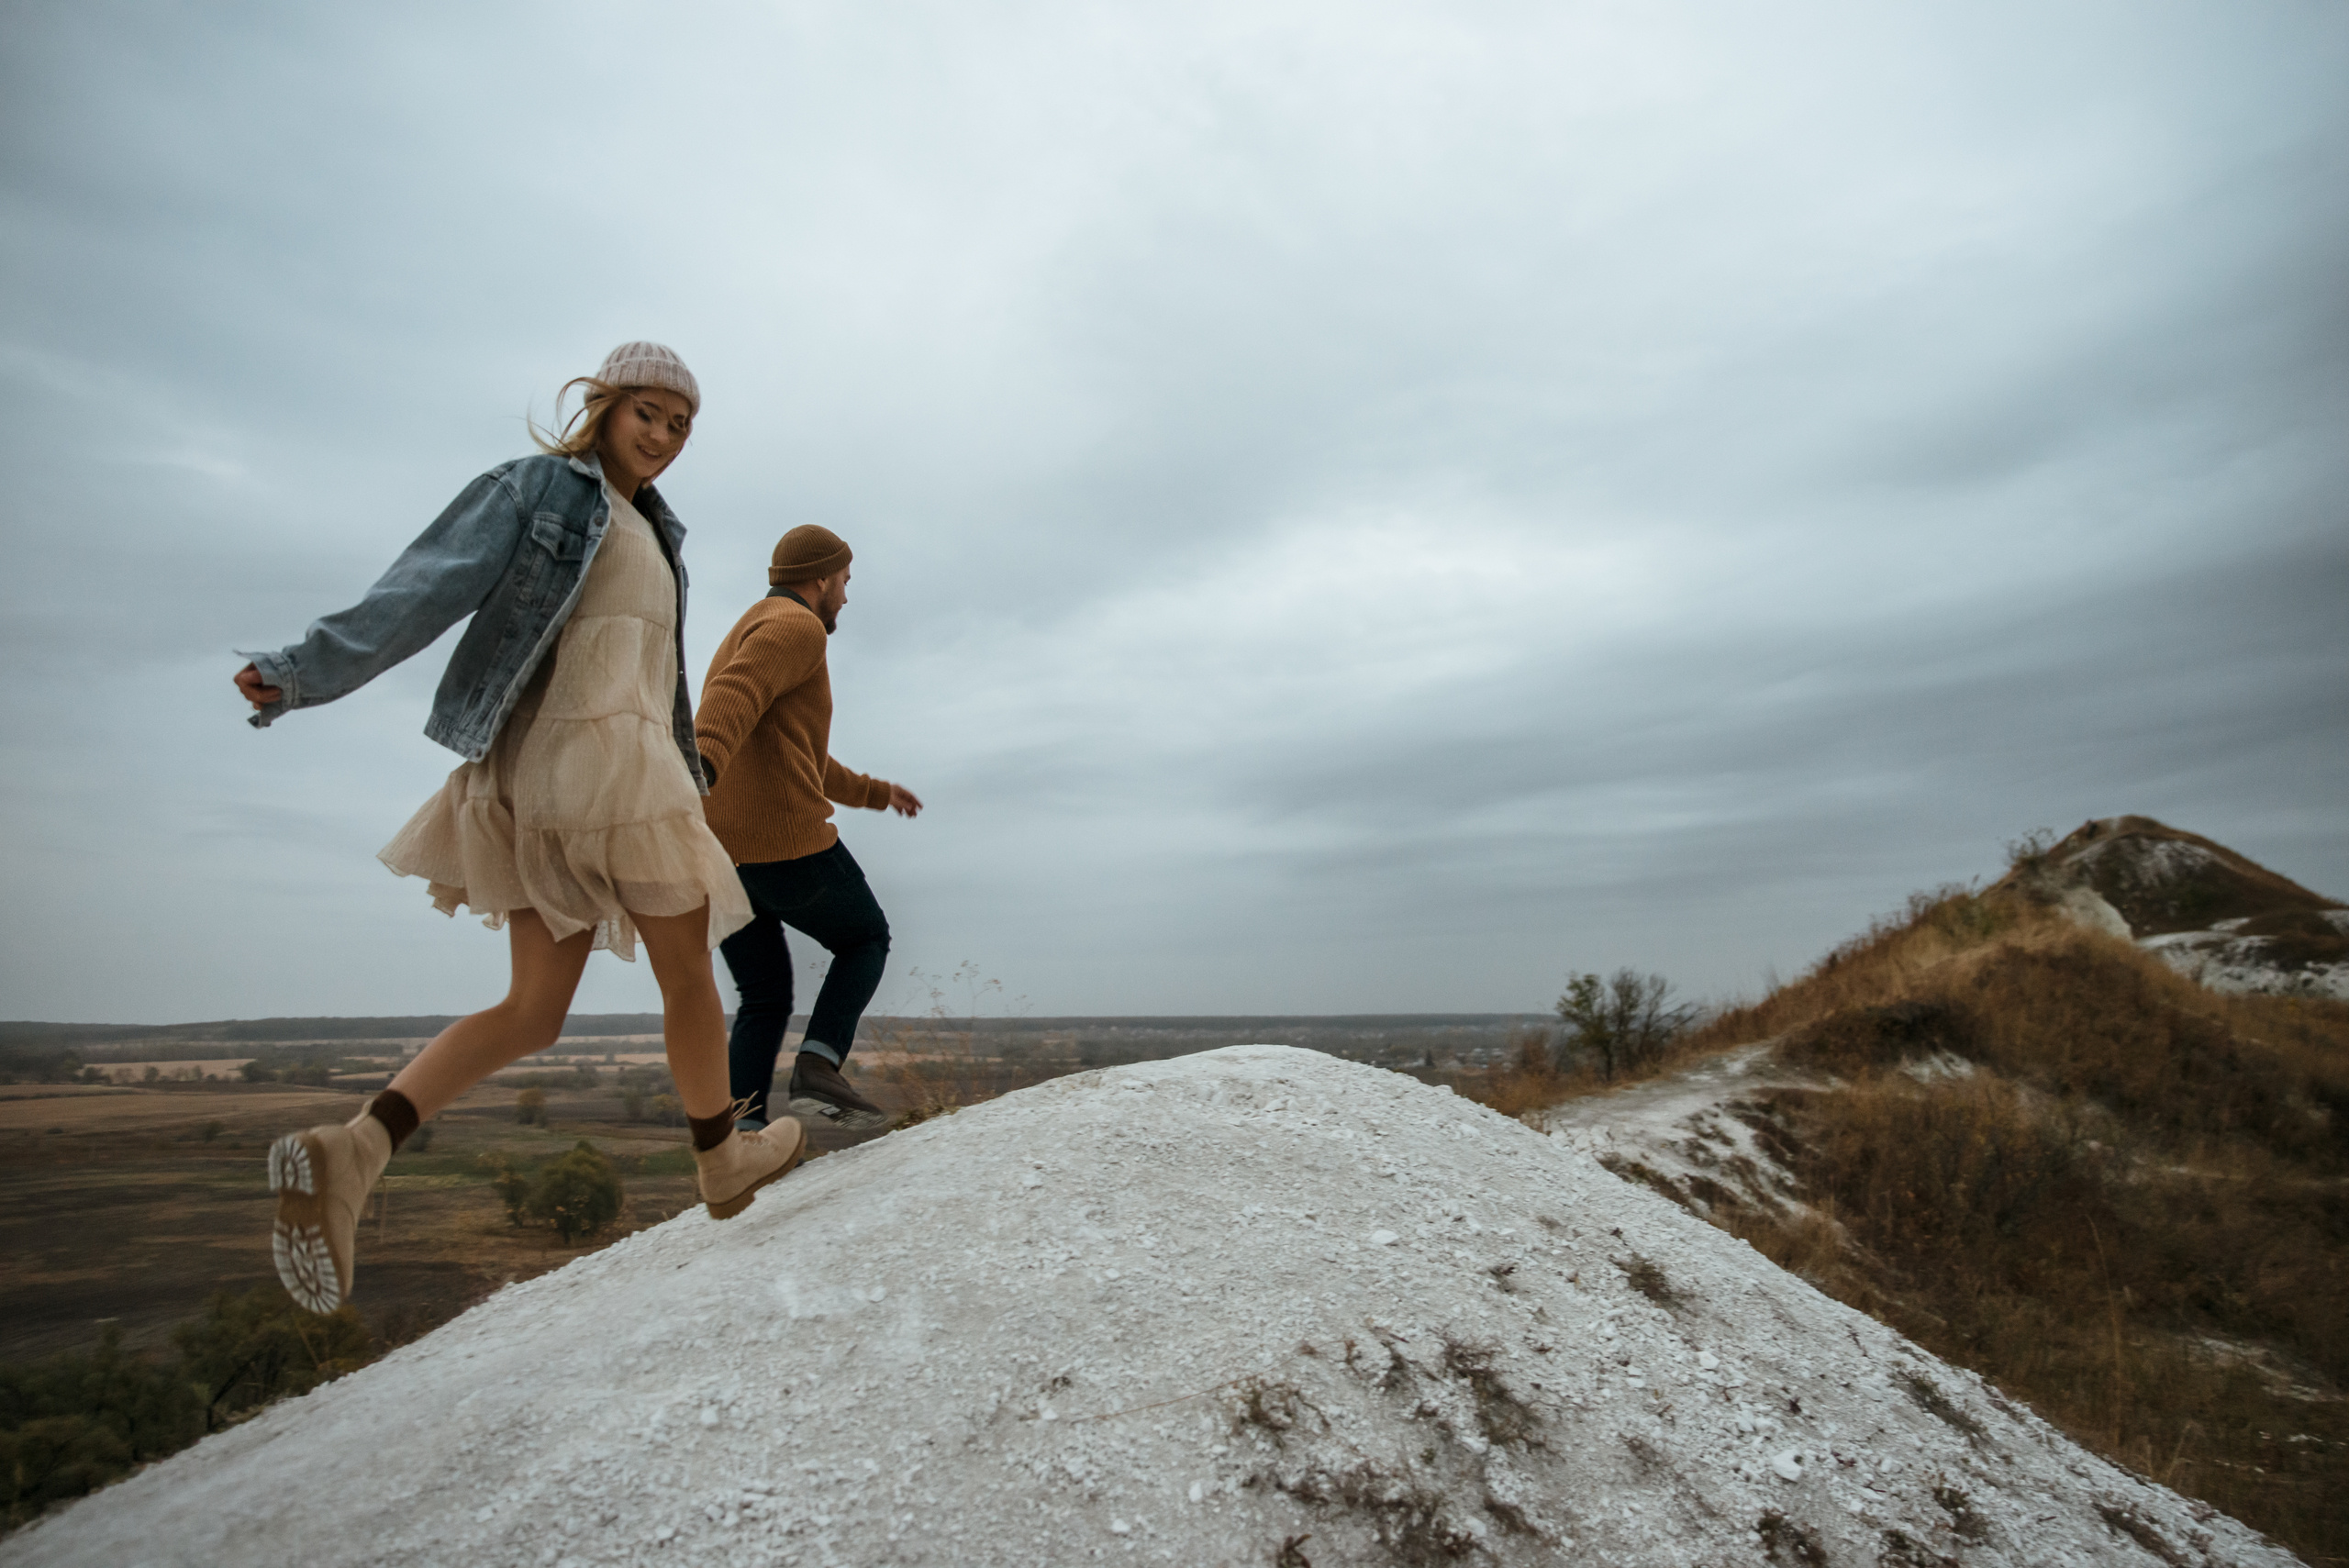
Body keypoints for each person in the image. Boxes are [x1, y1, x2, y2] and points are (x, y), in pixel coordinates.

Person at [233, 343, 803, 1315]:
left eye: (680, 425)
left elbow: (651, 677)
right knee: (690, 966)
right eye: (647, 413)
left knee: (536, 1009)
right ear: (605, 405)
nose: (661, 437)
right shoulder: (543, 490)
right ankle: (721, 1159)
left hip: (578, 776)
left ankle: (356, 1147)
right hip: (586, 765)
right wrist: (304, 671)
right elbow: (425, 585)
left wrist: (682, 767)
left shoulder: (658, 534)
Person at [696, 525, 920, 1135]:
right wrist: (702, 764)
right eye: (844, 581)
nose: (845, 596)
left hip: (719, 855)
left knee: (765, 995)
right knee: (865, 938)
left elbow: (803, 759)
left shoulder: (754, 622)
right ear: (819, 577)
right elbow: (730, 695)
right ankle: (819, 1066)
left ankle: (740, 1137)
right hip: (782, 843)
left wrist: (875, 792)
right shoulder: (797, 627)